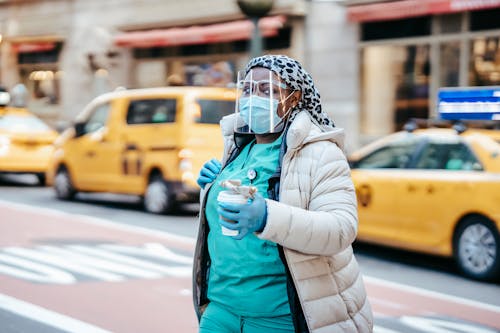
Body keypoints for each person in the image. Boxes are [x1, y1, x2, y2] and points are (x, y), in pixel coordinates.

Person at [192, 54, 373, 333]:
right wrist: (211, 187)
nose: (254, 98)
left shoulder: (321, 153)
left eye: (267, 90)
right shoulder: (237, 148)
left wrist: (266, 217)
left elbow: (341, 229)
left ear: (294, 97)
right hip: (220, 310)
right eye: (248, 89)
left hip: (279, 318)